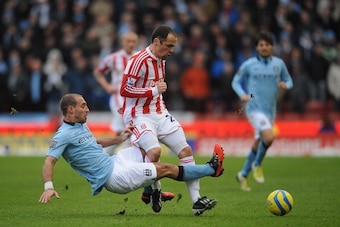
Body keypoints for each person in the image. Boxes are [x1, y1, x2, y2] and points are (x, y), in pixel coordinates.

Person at [38, 93, 225, 217]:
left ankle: (148, 193)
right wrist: (48, 187)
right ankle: (212, 169)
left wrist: (119, 138)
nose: (87, 109)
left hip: (115, 161)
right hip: (113, 176)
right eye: (83, 106)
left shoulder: (80, 125)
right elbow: (49, 161)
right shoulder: (62, 135)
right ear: (71, 110)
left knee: (149, 149)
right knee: (165, 169)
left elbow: (94, 142)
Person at [120, 25, 221, 215]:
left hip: (160, 112)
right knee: (155, 152)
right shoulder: (138, 60)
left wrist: (156, 93)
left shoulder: (162, 58)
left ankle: (196, 201)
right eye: (168, 46)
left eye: (173, 46)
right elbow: (124, 90)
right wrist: (153, 90)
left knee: (185, 150)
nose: (172, 51)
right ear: (156, 41)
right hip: (139, 114)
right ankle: (155, 190)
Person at [231, 31, 293, 191]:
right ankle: (257, 165)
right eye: (261, 45)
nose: (264, 47)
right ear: (256, 47)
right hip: (253, 108)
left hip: (270, 110)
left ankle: (243, 174)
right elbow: (235, 82)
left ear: (272, 46)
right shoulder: (249, 64)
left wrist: (286, 85)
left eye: (267, 44)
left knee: (259, 142)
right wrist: (242, 94)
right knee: (269, 137)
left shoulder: (279, 64)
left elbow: (289, 79)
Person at [93, 31, 138, 154]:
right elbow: (98, 72)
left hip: (135, 96)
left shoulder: (139, 57)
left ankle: (103, 156)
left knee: (121, 131)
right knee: (128, 126)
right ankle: (127, 159)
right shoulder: (113, 58)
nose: (131, 44)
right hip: (119, 96)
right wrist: (106, 86)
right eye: (128, 41)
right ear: (122, 42)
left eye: (133, 41)